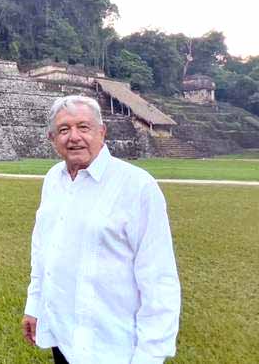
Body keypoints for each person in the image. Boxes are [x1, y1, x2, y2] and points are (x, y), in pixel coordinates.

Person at [21, 95, 181, 364]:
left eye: (83, 127)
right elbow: (44, 251)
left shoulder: (137, 186)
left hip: (113, 347)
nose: (74, 137)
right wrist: (35, 306)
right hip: (64, 338)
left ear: (102, 132)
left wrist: (150, 356)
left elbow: (159, 280)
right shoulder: (53, 180)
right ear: (52, 138)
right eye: (64, 129)